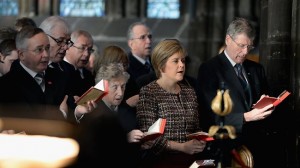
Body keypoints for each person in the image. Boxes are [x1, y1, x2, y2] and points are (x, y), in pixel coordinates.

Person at [196, 17, 275, 167]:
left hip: (258, 145)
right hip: (227, 148)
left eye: (249, 47)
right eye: (241, 45)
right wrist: (246, 117)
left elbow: (262, 98)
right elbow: (210, 116)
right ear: (228, 40)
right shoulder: (210, 69)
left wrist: (268, 105)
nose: (245, 52)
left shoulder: (256, 69)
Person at [136, 39, 207, 167]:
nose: (182, 65)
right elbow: (149, 138)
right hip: (161, 161)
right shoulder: (149, 92)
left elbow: (196, 128)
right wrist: (182, 147)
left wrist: (200, 140)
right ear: (161, 65)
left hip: (191, 160)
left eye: (183, 60)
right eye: (176, 61)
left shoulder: (190, 91)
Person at [73, 63, 141, 167]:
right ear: (102, 88)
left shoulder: (127, 109)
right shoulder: (91, 110)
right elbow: (95, 148)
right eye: (115, 87)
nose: (120, 93)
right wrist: (125, 139)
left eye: (123, 87)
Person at [0, 26, 66, 121]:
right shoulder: (5, 86)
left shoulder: (59, 76)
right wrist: (62, 114)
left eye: (47, 48)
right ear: (22, 54)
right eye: (39, 50)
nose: (46, 55)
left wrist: (77, 112)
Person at [61, 29, 95, 113]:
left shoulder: (88, 75)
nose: (86, 54)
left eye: (90, 49)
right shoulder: (59, 72)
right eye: (82, 48)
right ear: (68, 46)